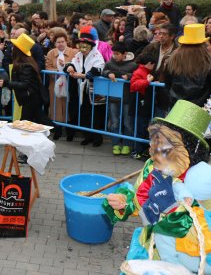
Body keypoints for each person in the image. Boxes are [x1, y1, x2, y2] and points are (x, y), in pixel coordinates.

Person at [103, 100, 211, 267]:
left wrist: (176, 211)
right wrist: (124, 202)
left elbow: (203, 230)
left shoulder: (201, 182)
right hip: (150, 251)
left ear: (190, 149)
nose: (158, 150)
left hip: (187, 260)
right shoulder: (152, 168)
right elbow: (140, 200)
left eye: (169, 144)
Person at [63, 28, 106, 147]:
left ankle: (97, 138)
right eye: (81, 46)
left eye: (85, 46)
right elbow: (70, 63)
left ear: (90, 46)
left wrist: (82, 75)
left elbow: (97, 70)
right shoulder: (78, 55)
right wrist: (70, 68)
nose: (82, 49)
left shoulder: (97, 55)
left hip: (95, 89)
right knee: (84, 113)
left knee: (96, 113)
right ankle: (88, 136)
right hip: (81, 89)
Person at [0, 33, 47, 124]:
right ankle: (56, 129)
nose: (12, 48)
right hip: (31, 97)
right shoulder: (26, 62)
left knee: (25, 122)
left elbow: (25, 84)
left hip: (31, 98)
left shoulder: (25, 65)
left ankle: (56, 129)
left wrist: (7, 83)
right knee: (40, 119)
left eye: (14, 47)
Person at [163, 24, 211, 108]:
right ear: (202, 44)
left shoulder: (172, 60)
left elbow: (167, 83)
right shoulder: (207, 63)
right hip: (199, 110)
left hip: (176, 107)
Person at [102, 42, 138, 155]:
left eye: (117, 54)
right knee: (114, 122)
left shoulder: (132, 65)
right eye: (114, 53)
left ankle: (127, 144)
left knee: (128, 123)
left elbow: (138, 75)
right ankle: (115, 144)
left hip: (127, 98)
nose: (114, 56)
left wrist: (129, 76)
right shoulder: (110, 63)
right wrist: (108, 73)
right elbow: (103, 71)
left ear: (124, 54)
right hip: (113, 98)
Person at [45, 29, 77, 140]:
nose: (60, 44)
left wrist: (67, 68)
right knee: (56, 108)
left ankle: (70, 133)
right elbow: (48, 67)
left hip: (70, 84)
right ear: (55, 43)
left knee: (68, 107)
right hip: (55, 84)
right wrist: (58, 72)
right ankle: (57, 131)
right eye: (58, 42)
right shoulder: (51, 53)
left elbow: (76, 65)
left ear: (66, 41)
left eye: (62, 41)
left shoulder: (73, 52)